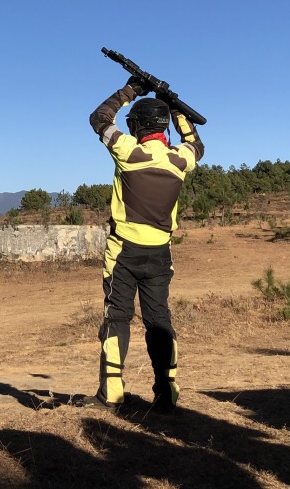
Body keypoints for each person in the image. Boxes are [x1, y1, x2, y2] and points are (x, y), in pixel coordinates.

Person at [88, 78, 203, 413]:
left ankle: (110, 395)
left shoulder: (128, 151)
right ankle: (167, 391)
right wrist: (177, 108)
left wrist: (129, 91)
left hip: (123, 252)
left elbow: (99, 118)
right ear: (165, 126)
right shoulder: (180, 159)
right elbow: (196, 143)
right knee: (159, 320)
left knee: (116, 318)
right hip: (161, 253)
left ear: (136, 126)